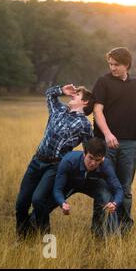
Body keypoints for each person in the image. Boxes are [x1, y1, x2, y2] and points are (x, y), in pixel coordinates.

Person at [15, 84, 94, 239]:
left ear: (85, 102)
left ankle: (46, 241)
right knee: (21, 203)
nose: (72, 95)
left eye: (77, 94)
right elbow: (49, 94)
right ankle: (22, 238)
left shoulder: (84, 124)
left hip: (55, 165)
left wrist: (86, 169)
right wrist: (61, 91)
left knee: (38, 200)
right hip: (37, 161)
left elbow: (89, 150)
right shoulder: (59, 109)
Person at [92, 47, 136, 234]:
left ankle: (124, 228)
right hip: (106, 143)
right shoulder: (103, 82)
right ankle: (99, 230)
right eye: (110, 64)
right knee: (104, 187)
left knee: (125, 188)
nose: (112, 68)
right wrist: (107, 134)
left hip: (130, 144)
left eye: (116, 64)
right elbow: (97, 111)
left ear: (126, 65)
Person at [52, 137, 123, 237]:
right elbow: (57, 189)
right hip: (71, 184)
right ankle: (37, 229)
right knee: (46, 201)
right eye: (90, 158)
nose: (93, 163)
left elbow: (118, 189)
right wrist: (62, 203)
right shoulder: (68, 161)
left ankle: (103, 235)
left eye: (97, 160)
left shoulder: (105, 164)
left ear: (102, 158)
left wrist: (115, 204)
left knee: (107, 196)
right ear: (84, 153)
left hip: (92, 184)